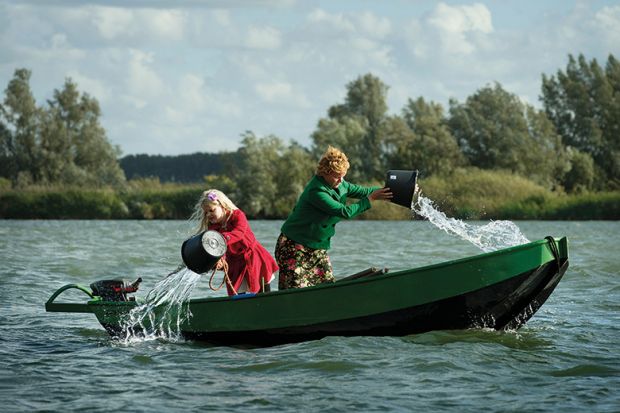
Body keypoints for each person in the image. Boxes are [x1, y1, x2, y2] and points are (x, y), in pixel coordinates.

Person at [275, 145, 393, 290]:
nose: (340, 180)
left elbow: (365, 191)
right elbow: (344, 212)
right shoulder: (316, 191)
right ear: (325, 172)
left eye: (343, 175)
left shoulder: (341, 184)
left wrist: (395, 190)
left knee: (327, 287)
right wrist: (370, 200)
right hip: (294, 247)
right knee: (295, 291)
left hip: (317, 249)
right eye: (337, 176)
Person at [190, 189, 278, 296]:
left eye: (212, 210)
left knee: (263, 292)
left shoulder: (238, 215)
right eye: (206, 212)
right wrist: (218, 260)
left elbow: (239, 232)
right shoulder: (213, 227)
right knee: (237, 296)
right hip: (234, 265)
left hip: (254, 258)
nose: (208, 214)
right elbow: (217, 249)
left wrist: (220, 239)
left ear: (222, 205)